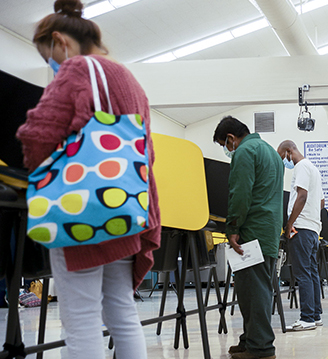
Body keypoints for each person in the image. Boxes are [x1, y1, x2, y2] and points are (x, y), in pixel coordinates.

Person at [16, 0, 161, 357]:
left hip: (82, 207)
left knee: (79, 320)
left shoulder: (76, 69)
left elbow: (38, 136)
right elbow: (146, 152)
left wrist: (39, 170)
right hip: (126, 208)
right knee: (122, 313)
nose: (52, 65)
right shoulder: (128, 78)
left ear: (61, 42)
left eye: (49, 56)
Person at [214, 116, 283, 359]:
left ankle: (261, 348)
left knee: (253, 292)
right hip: (269, 231)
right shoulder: (271, 153)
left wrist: (232, 226)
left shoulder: (245, 152)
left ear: (231, 138)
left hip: (252, 231)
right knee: (254, 290)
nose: (226, 149)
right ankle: (250, 340)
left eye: (224, 144)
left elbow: (240, 193)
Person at [276, 140, 324, 331]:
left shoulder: (301, 167)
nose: (284, 162)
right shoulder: (314, 168)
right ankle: (315, 315)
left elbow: (302, 196)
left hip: (301, 229)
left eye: (282, 157)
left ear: (289, 151)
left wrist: (290, 224)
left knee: (302, 273)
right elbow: (321, 202)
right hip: (313, 229)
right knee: (312, 273)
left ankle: (306, 319)